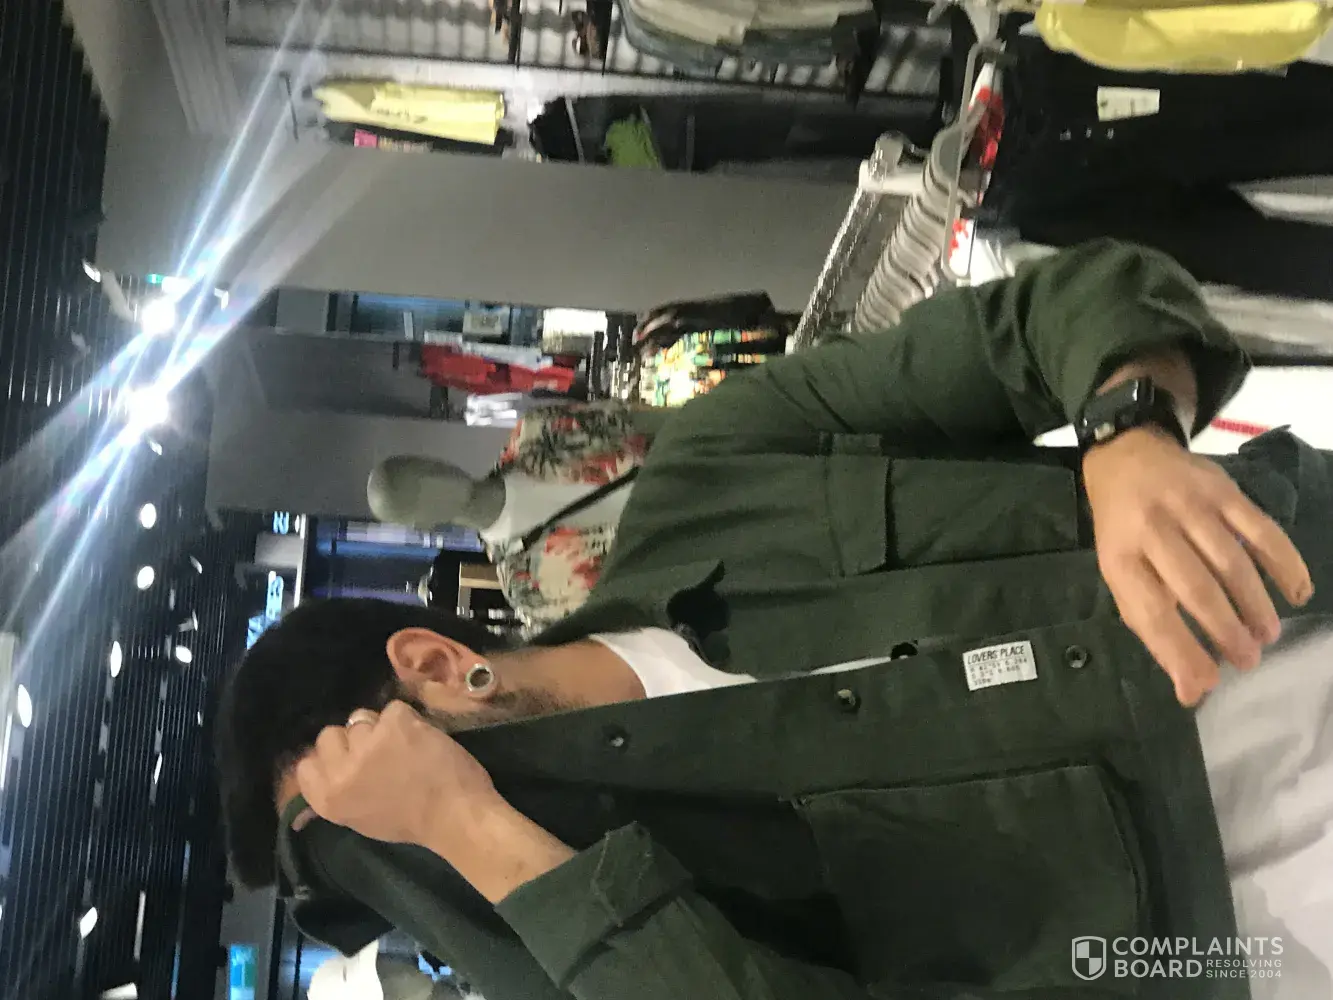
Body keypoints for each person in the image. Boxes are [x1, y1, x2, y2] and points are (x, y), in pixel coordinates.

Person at [217, 240, 1331, 1000]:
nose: (410, 853)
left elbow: (1044, 315)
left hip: (1302, 591)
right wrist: (467, 830)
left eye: (378, 802)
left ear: (431, 661)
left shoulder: (714, 477)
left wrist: (1130, 434)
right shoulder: (624, 933)